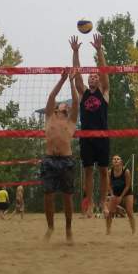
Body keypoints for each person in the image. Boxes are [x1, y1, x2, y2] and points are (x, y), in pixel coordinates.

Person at [72, 34, 111, 219]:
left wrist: (99, 50)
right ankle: (89, 205)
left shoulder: (104, 92)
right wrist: (76, 51)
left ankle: (103, 203)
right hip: (86, 137)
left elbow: (104, 72)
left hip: (102, 136)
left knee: (103, 171)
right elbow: (77, 73)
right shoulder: (83, 93)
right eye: (91, 76)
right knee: (88, 171)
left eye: (95, 76)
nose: (93, 77)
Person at [42, 66, 82, 243]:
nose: (66, 104)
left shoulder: (71, 121)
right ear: (58, 108)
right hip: (50, 159)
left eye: (68, 105)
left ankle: (68, 229)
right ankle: (50, 227)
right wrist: (62, 79)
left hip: (66, 160)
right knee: (48, 197)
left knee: (68, 198)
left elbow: (76, 100)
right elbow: (51, 97)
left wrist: (72, 81)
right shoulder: (50, 116)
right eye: (63, 104)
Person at [106, 154, 136, 235]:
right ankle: (108, 230)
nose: (116, 160)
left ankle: (133, 230)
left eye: (118, 159)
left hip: (126, 193)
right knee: (110, 213)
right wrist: (112, 195)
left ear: (121, 162)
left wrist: (121, 197)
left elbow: (127, 186)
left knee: (129, 212)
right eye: (114, 159)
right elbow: (108, 185)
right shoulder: (110, 172)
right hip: (115, 193)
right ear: (112, 162)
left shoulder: (126, 171)